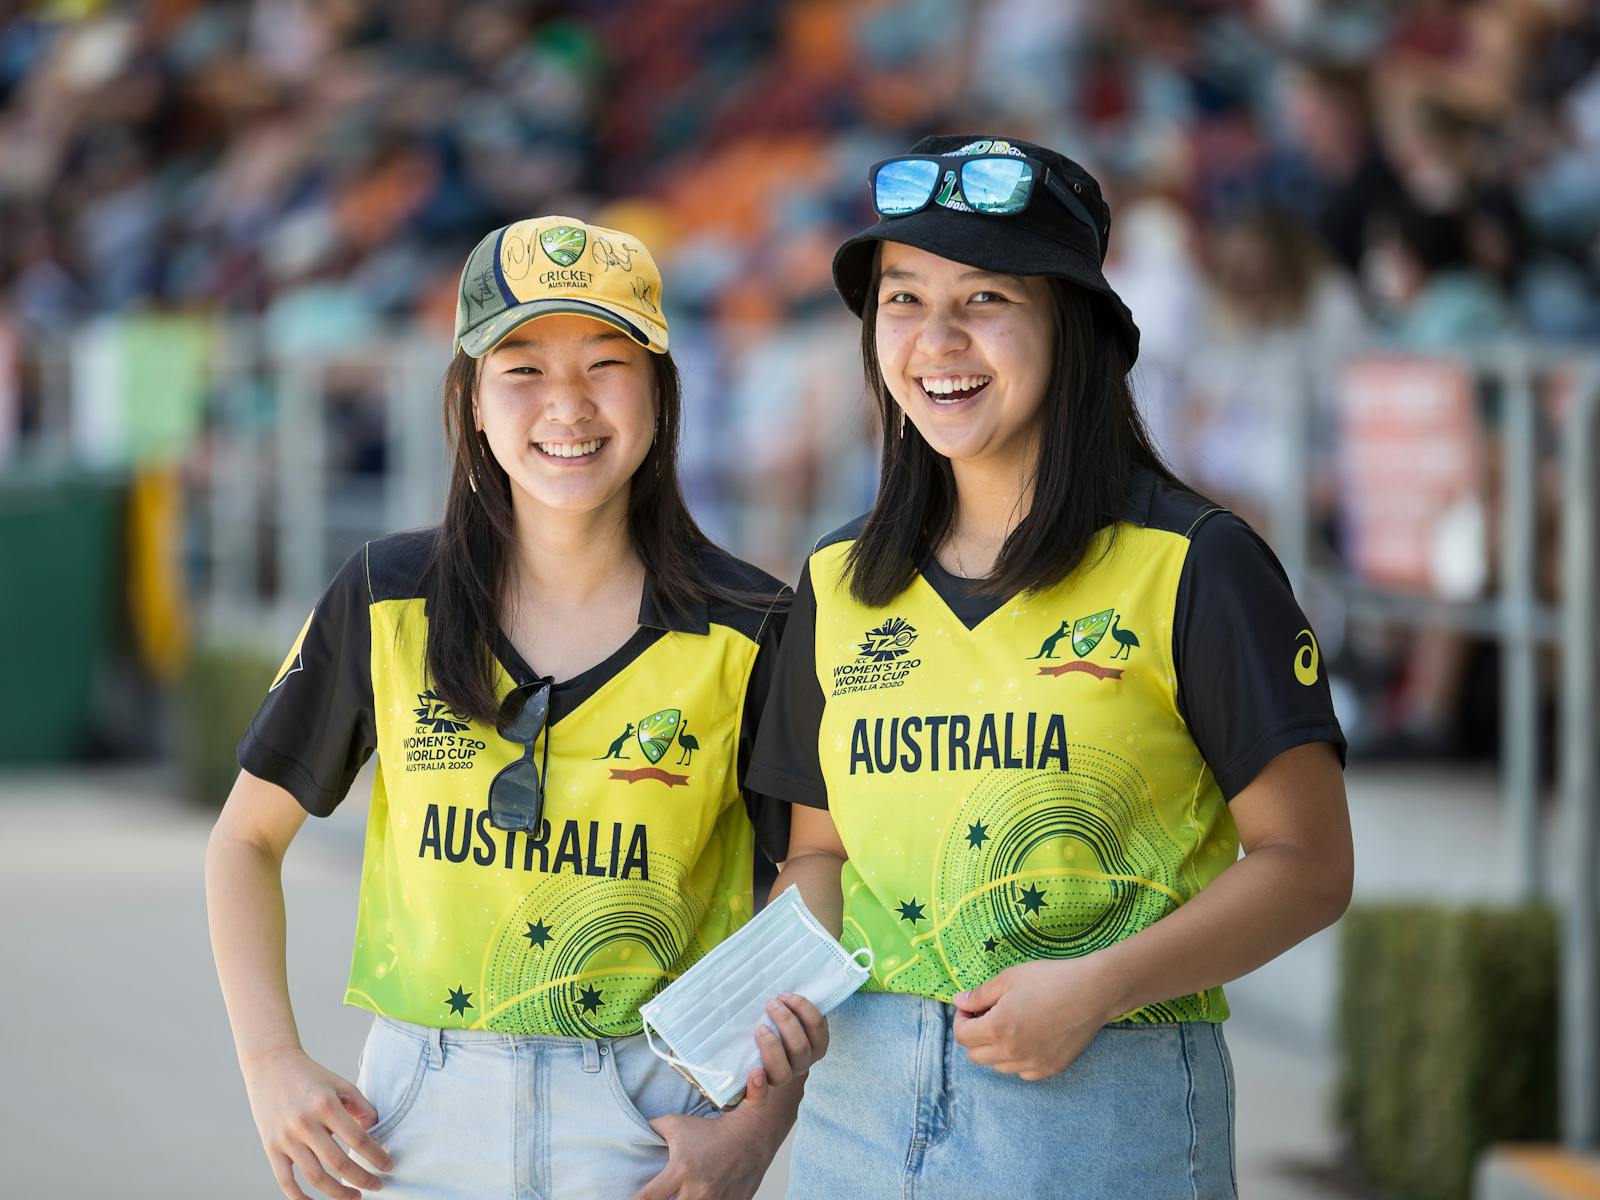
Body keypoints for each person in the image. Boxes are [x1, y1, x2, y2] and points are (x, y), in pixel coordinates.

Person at [747, 136, 1355, 1199]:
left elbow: (1308, 864)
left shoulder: (1195, 563)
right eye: (902, 300)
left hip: (1105, 1112)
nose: (935, 341)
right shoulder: (837, 581)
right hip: (861, 1116)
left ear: (1071, 324)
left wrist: (1098, 988)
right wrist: (749, 1054)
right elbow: (820, 859)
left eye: (984, 299)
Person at [206, 215, 824, 1200]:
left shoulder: (753, 627)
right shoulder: (386, 596)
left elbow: (805, 889)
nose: (567, 405)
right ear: (471, 402)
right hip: (412, 1115)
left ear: (661, 393)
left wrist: (753, 1129)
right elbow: (243, 842)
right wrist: (269, 1065)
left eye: (606, 363)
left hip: (652, 1112)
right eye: (523, 368)